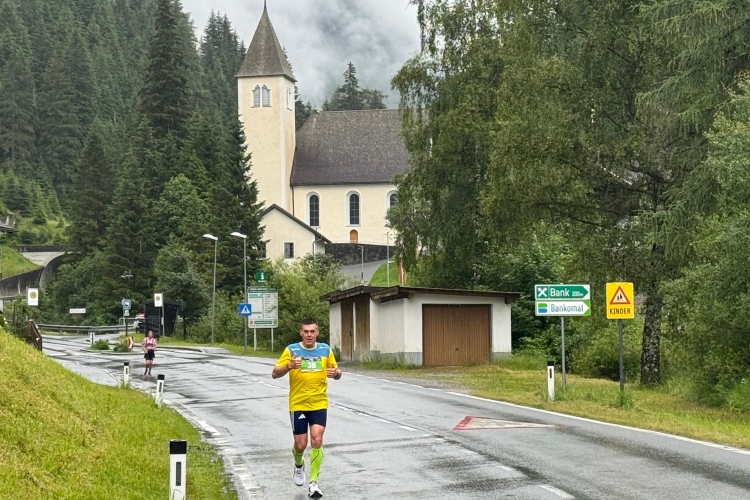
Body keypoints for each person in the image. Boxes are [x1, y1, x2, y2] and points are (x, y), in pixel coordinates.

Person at [272, 318, 342, 498]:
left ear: (317, 332)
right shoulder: (292, 350)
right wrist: (289, 366)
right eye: (306, 331)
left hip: (319, 403)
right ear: (301, 333)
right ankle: (298, 464)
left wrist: (336, 373)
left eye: (312, 331)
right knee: (300, 444)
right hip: (298, 404)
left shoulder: (325, 349)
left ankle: (313, 483)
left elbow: (336, 371)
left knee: (317, 439)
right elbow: (274, 373)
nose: (309, 334)